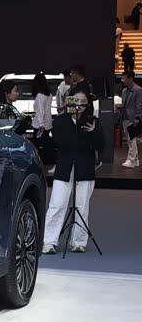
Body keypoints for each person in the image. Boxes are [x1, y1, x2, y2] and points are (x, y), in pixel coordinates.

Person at [42, 84, 104, 254]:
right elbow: (61, 142)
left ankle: (78, 241)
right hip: (64, 168)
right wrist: (86, 137)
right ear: (69, 100)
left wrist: (93, 133)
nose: (79, 104)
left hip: (85, 168)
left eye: (83, 101)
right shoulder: (61, 120)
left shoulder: (92, 120)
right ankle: (49, 241)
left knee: (82, 205)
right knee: (57, 204)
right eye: (76, 100)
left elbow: (100, 145)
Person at [120, 70, 142, 168]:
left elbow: (139, 105)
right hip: (125, 117)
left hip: (133, 118)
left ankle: (131, 160)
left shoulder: (138, 90)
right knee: (130, 140)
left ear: (130, 78)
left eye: (124, 78)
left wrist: (137, 117)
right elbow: (124, 104)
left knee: (131, 139)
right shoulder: (124, 91)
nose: (123, 80)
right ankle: (136, 160)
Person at [31, 73, 54, 165]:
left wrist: (41, 125)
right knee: (47, 145)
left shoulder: (40, 95)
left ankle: (37, 162)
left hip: (40, 126)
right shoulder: (49, 94)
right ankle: (48, 161)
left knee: (35, 145)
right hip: (48, 124)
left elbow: (40, 111)